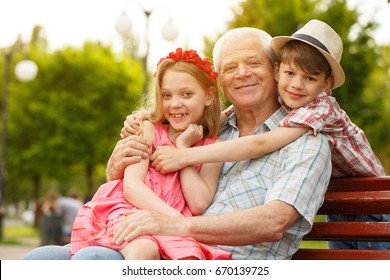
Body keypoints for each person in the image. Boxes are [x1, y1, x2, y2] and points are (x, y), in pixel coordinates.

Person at [23, 25, 332, 260]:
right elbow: (144, 172)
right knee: (40, 259)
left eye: (253, 63)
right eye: (229, 68)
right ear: (219, 82)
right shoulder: (209, 130)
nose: (242, 74)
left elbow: (274, 222)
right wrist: (116, 164)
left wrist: (174, 226)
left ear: (276, 70)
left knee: (95, 261)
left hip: (227, 261)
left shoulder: (306, 140)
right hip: (160, 242)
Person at [148, 20, 385, 179]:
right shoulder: (290, 100)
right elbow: (215, 118)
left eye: (310, 78)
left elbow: (260, 143)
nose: (296, 85)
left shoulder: (318, 108)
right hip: (344, 201)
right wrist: (150, 122)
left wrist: (185, 155)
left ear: (326, 84)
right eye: (290, 73)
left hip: (375, 200)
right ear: (278, 71)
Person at [70, 48, 230, 260]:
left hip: (168, 224)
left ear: (209, 96)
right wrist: (176, 220)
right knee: (144, 251)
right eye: (166, 95)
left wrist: (183, 150)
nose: (175, 104)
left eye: (187, 94)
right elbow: (132, 187)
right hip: (131, 211)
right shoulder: (149, 129)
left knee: (190, 257)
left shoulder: (213, 147)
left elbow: (198, 203)